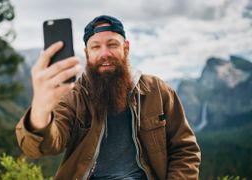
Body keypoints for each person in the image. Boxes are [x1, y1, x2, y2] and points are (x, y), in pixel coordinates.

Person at [16, 15, 201, 180]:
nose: (105, 53)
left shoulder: (158, 91)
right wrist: (40, 108)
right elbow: (42, 147)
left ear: (126, 48)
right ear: (87, 54)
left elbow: (185, 150)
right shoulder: (74, 96)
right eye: (96, 47)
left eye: (112, 44)